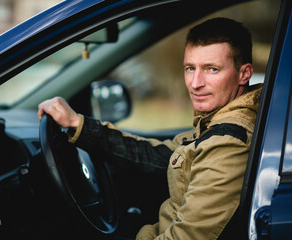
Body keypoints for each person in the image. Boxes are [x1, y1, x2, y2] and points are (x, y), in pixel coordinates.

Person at [37, 17, 262, 240]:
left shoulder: (229, 141)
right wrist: (79, 125)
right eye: (190, 68)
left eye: (212, 69)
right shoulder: (213, 124)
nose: (195, 83)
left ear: (244, 73)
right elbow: (156, 156)